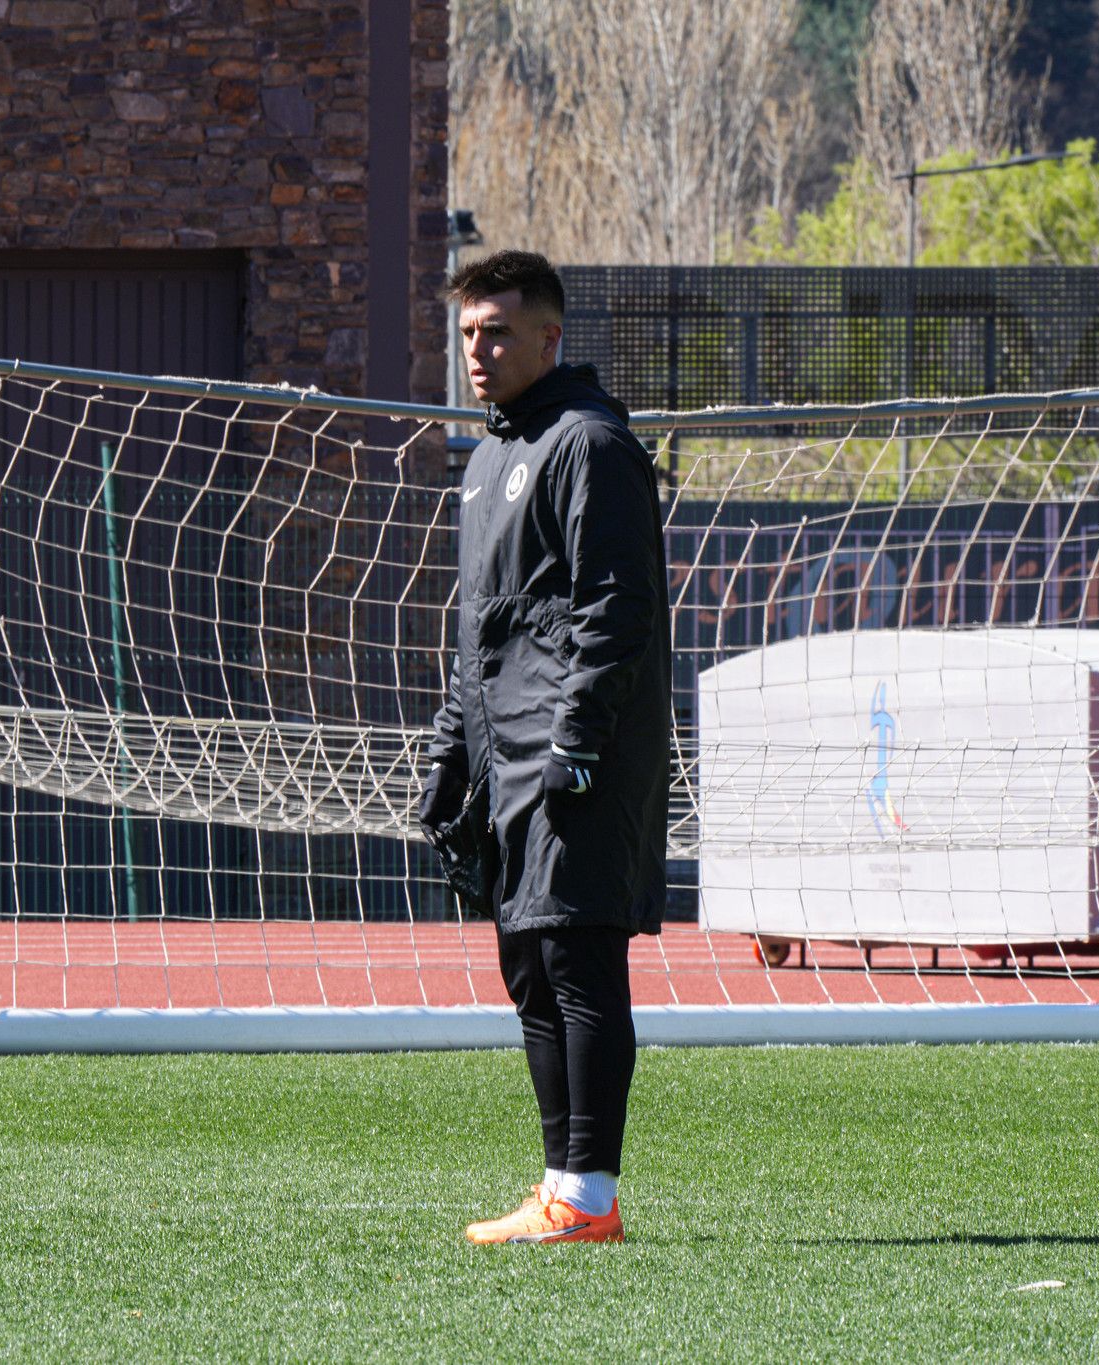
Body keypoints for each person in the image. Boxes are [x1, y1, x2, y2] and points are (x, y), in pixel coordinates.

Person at [419, 250, 671, 1245]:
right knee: (528, 967)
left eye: (497, 333)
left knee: (577, 964)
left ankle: (590, 1198)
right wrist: (452, 747)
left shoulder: (589, 445)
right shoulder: (487, 459)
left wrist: (574, 739)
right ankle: (561, 1189)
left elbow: (616, 610)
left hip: (575, 751)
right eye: (467, 333)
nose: (477, 351)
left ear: (548, 339)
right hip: (502, 751)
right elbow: (480, 627)